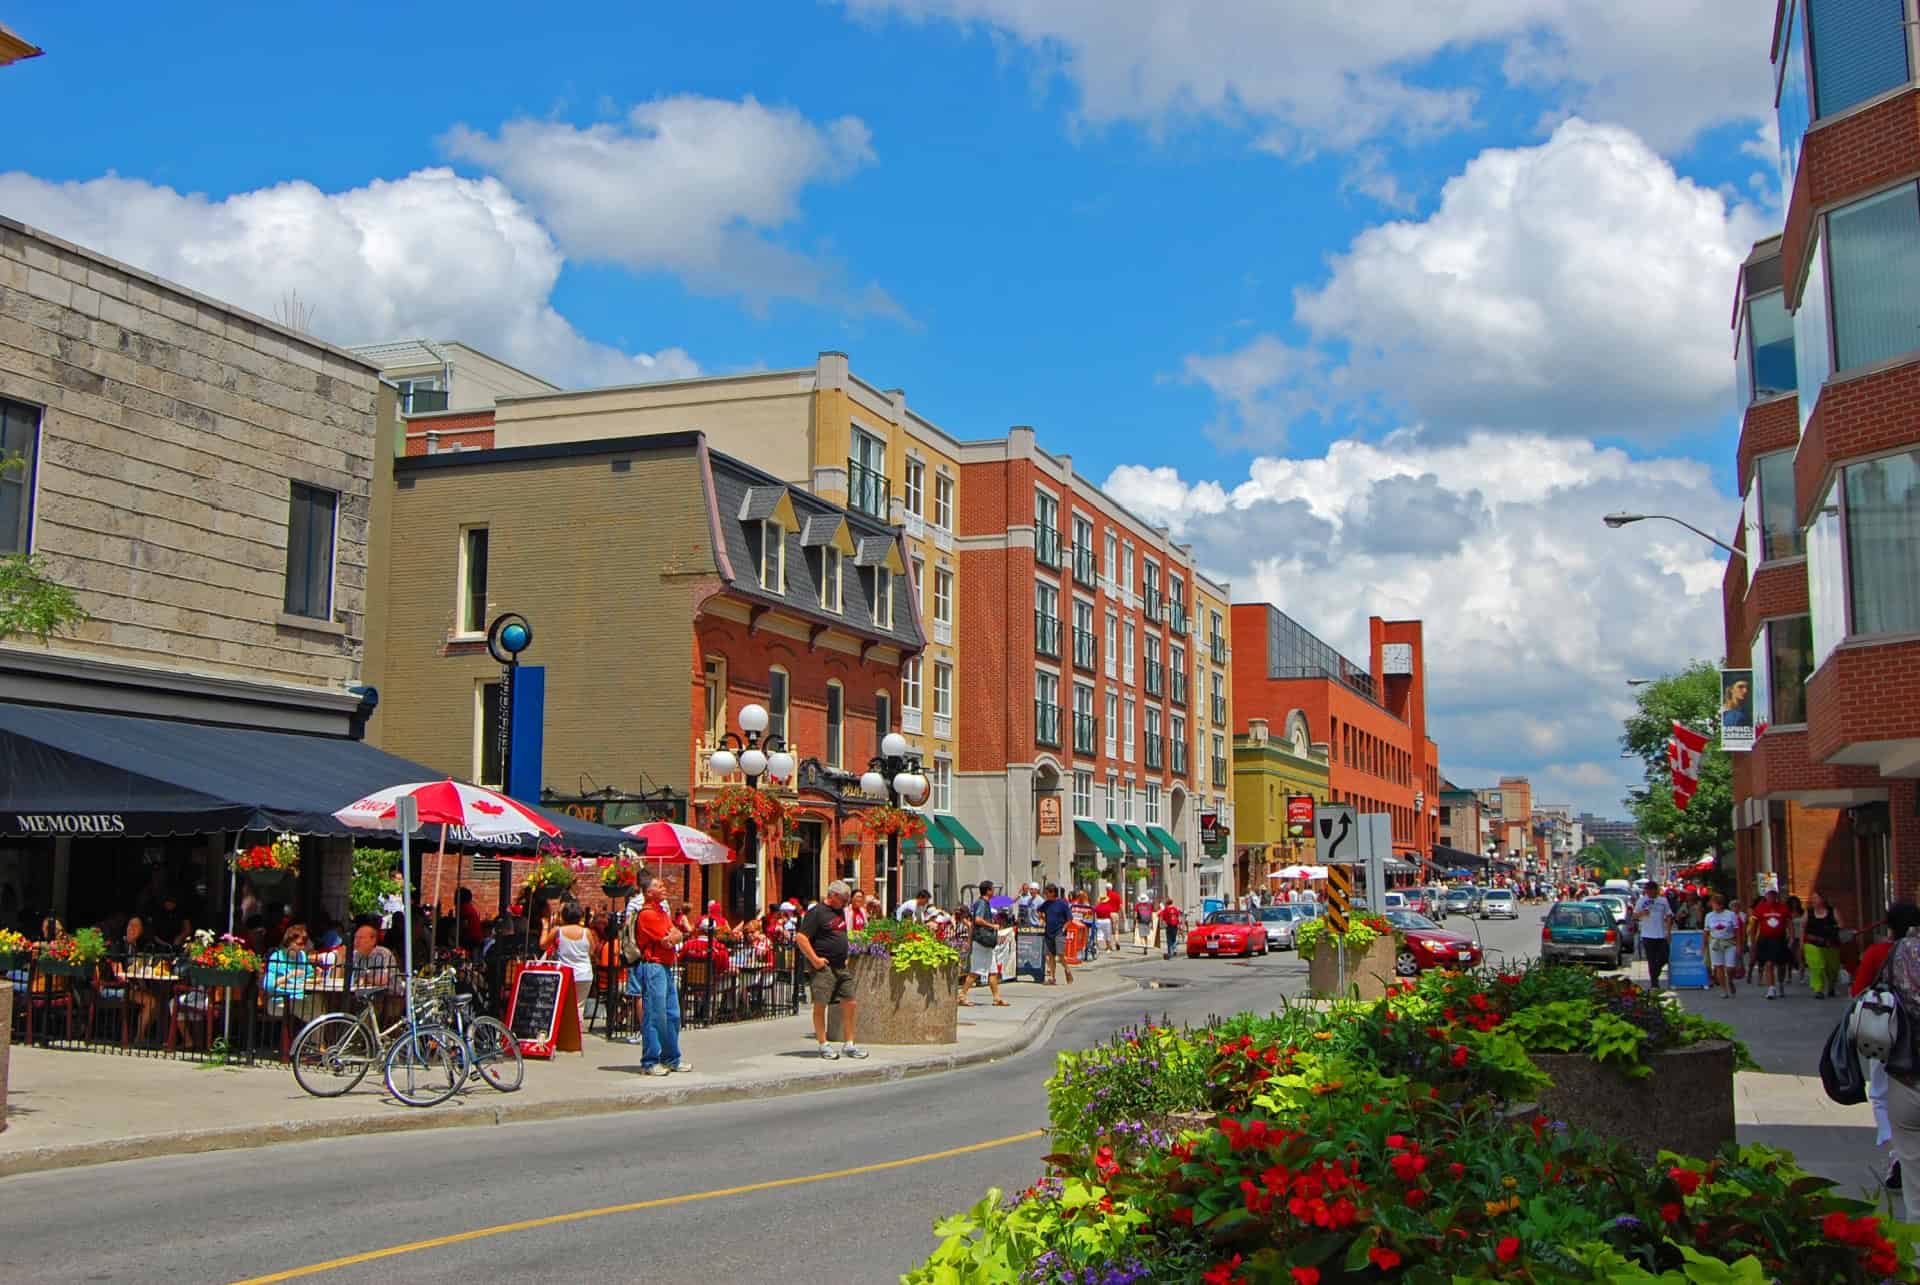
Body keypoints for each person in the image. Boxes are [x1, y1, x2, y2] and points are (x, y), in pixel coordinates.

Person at [1856, 903, 1920, 1193]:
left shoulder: (1880, 954)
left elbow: (1858, 992)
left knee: (1881, 1096)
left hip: (1892, 1047)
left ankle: (1896, 1156)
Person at [622, 878, 688, 1074]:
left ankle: (671, 1058)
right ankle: (650, 1061)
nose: (664, 888)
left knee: (672, 1014)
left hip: (666, 966)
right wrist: (672, 936)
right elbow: (667, 939)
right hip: (653, 966)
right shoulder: (647, 914)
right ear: (648, 892)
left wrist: (673, 936)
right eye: (659, 886)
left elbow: (676, 934)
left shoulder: (661, 911)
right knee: (654, 1014)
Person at [797, 880, 866, 1060]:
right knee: (821, 1004)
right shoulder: (816, 913)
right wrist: (815, 960)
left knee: (850, 1001)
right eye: (843, 899)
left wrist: (845, 953)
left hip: (840, 965)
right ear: (833, 895)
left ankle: (849, 1043)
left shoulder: (840, 911)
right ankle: (823, 1044)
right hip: (824, 966)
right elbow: (801, 938)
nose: (846, 903)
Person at [542, 899, 599, 1033]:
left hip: (565, 973)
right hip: (584, 973)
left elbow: (543, 944)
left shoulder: (558, 930)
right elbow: (592, 950)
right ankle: (576, 1033)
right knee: (579, 1006)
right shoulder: (587, 932)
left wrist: (545, 927)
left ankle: (563, 1032)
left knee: (562, 1004)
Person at [959, 903, 1011, 1008]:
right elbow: (972, 927)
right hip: (980, 946)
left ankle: (996, 998)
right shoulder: (983, 921)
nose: (996, 918)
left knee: (993, 972)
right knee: (975, 972)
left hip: (988, 947)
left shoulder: (989, 922)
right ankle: (961, 996)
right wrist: (969, 943)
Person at [1748, 888, 1793, 999]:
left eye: (1773, 895)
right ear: (1766, 896)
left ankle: (1780, 983)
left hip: (1780, 939)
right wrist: (1752, 940)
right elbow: (1754, 925)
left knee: (1781, 964)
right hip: (1765, 939)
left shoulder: (1783, 908)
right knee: (1769, 963)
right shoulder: (1760, 908)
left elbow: (1789, 924)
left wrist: (1791, 937)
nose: (1771, 897)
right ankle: (1771, 988)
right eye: (1769, 895)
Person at [1802, 890, 1844, 999]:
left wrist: (1833, 929)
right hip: (1813, 943)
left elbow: (1841, 924)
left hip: (1830, 943)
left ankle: (1831, 987)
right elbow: (1803, 928)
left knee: (1832, 968)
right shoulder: (1809, 912)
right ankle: (1818, 989)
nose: (1814, 900)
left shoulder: (1832, 911)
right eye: (1813, 898)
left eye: (1817, 898)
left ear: (1823, 899)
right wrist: (1802, 942)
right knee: (1816, 966)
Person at [1634, 881, 1674, 991]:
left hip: (1661, 934)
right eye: (1648, 891)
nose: (1650, 893)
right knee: (1651, 960)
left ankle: (1656, 971)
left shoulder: (1663, 901)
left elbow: (1669, 915)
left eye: (1652, 890)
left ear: (1656, 890)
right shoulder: (1642, 901)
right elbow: (1635, 915)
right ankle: (1654, 983)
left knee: (1664, 957)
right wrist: (1642, 913)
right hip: (1648, 934)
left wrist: (1669, 932)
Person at [1703, 893, 1740, 999]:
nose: (1714, 906)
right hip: (1715, 942)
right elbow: (1706, 931)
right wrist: (1704, 945)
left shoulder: (1730, 914)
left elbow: (1737, 930)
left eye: (1716, 904)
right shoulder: (1709, 916)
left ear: (1721, 904)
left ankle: (1730, 980)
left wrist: (1739, 944)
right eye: (1713, 904)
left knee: (1730, 967)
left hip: (1729, 942)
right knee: (1718, 967)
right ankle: (1724, 990)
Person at [1040, 884, 1075, 985]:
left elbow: (1070, 919)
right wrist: (1042, 919)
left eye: (1047, 893)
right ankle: (1052, 978)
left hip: (1059, 932)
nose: (1046, 895)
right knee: (1050, 955)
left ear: (1053, 893)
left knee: (1060, 954)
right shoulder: (1046, 904)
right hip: (1048, 932)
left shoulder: (1062, 904)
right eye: (1045, 893)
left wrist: (1064, 928)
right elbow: (1039, 911)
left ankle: (1067, 969)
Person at [1095, 886, 1121, 954]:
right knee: (1109, 934)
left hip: (1099, 921)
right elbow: (1111, 913)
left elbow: (1095, 913)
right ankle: (1110, 947)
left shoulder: (1097, 906)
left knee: (1099, 935)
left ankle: (1097, 947)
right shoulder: (1109, 905)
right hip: (1107, 920)